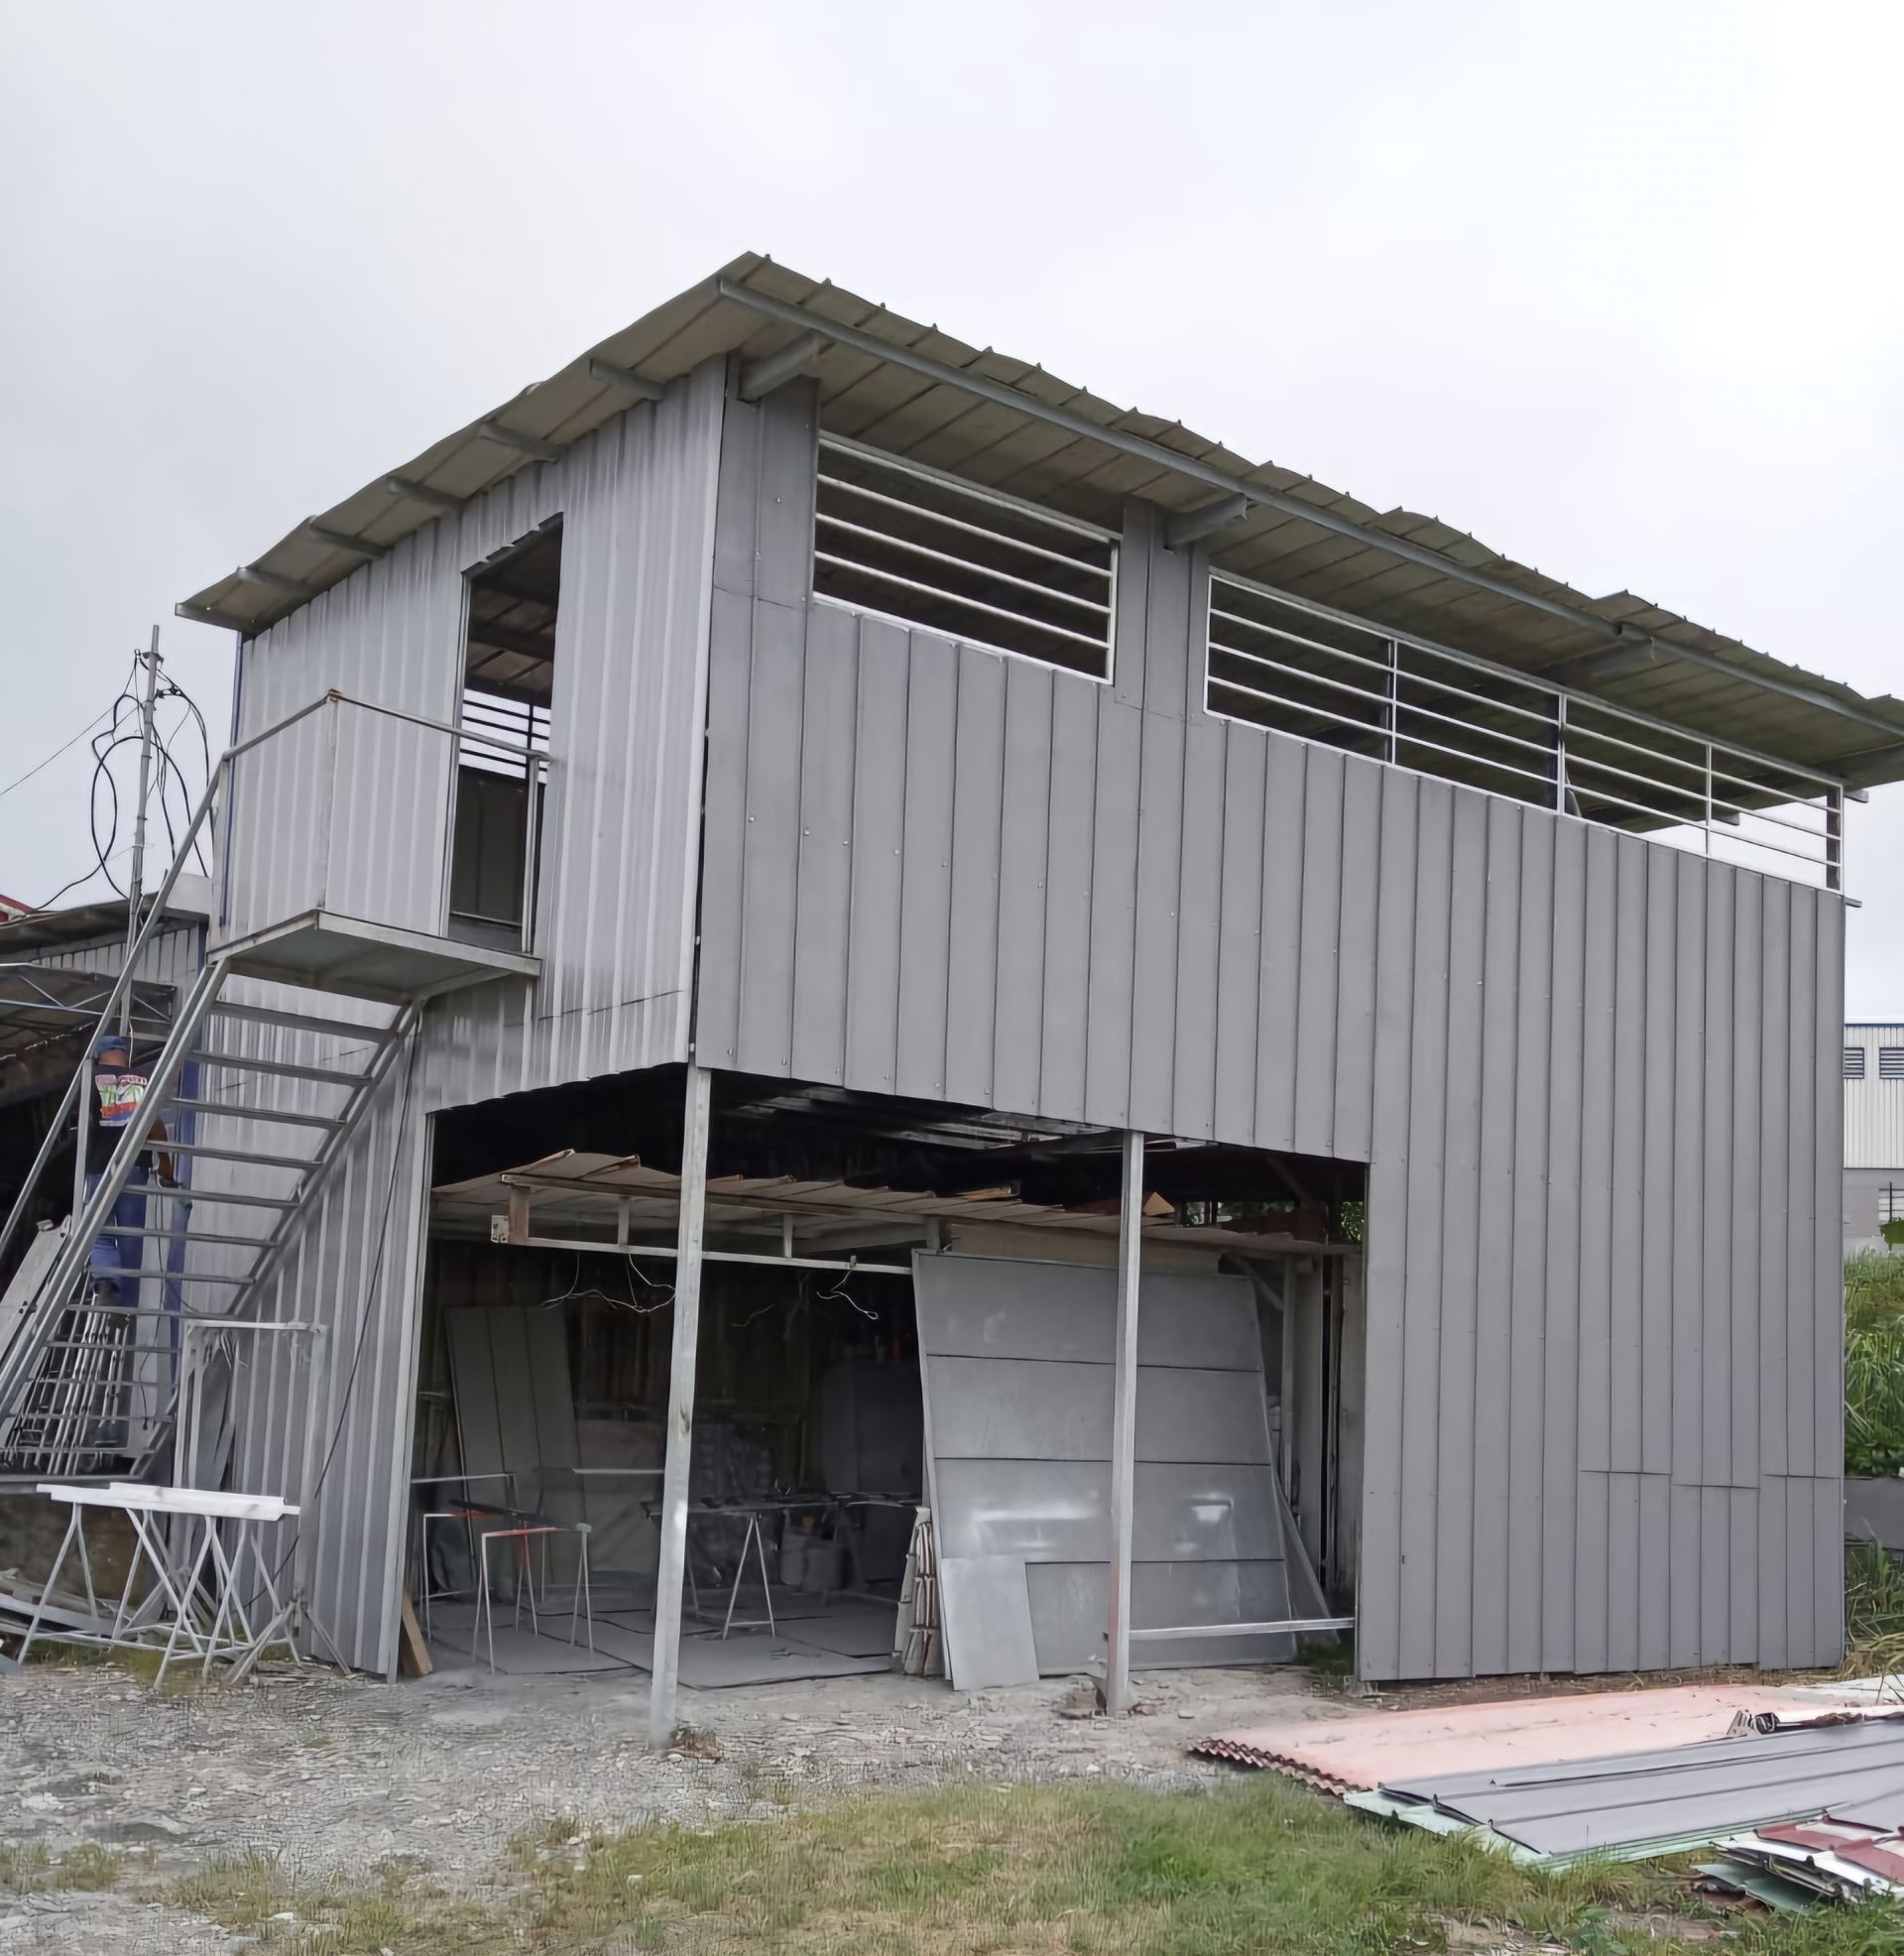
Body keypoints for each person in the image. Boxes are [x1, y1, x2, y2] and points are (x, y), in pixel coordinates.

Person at [81, 1028, 178, 1307]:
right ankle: (127, 1305)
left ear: (99, 1057)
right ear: (126, 1055)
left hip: (101, 1166)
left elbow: (86, 1121)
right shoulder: (144, 1081)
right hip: (136, 1167)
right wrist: (166, 1162)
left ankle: (107, 1283)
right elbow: (156, 1125)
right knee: (132, 1236)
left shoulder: (92, 1078)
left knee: (98, 1230)